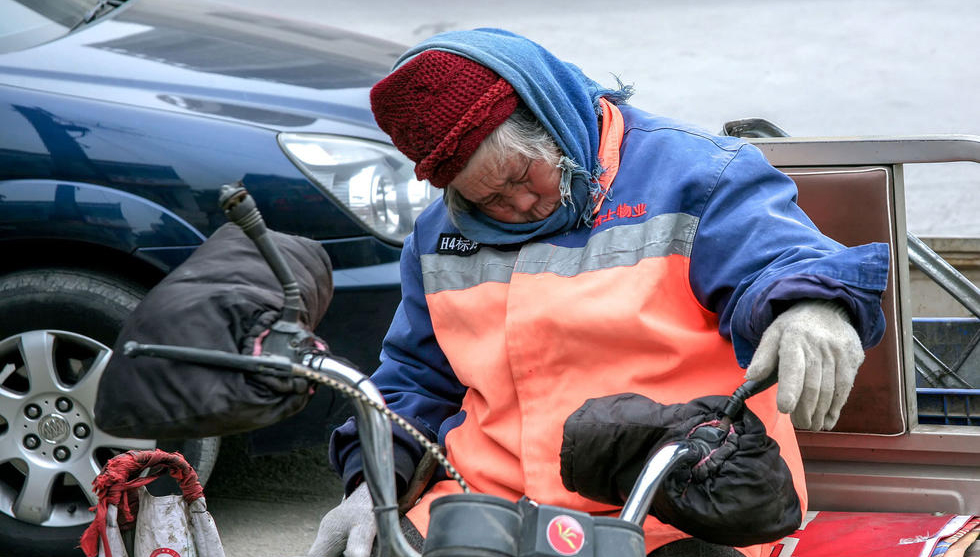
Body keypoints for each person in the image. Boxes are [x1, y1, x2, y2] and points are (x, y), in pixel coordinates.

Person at [308, 28, 889, 557]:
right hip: (484, 504)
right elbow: (413, 379)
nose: (515, 207)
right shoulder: (438, 235)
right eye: (485, 201)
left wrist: (812, 305)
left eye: (519, 179)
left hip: (678, 504)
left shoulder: (699, 176)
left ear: (553, 117)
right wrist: (368, 487)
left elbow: (780, 257)